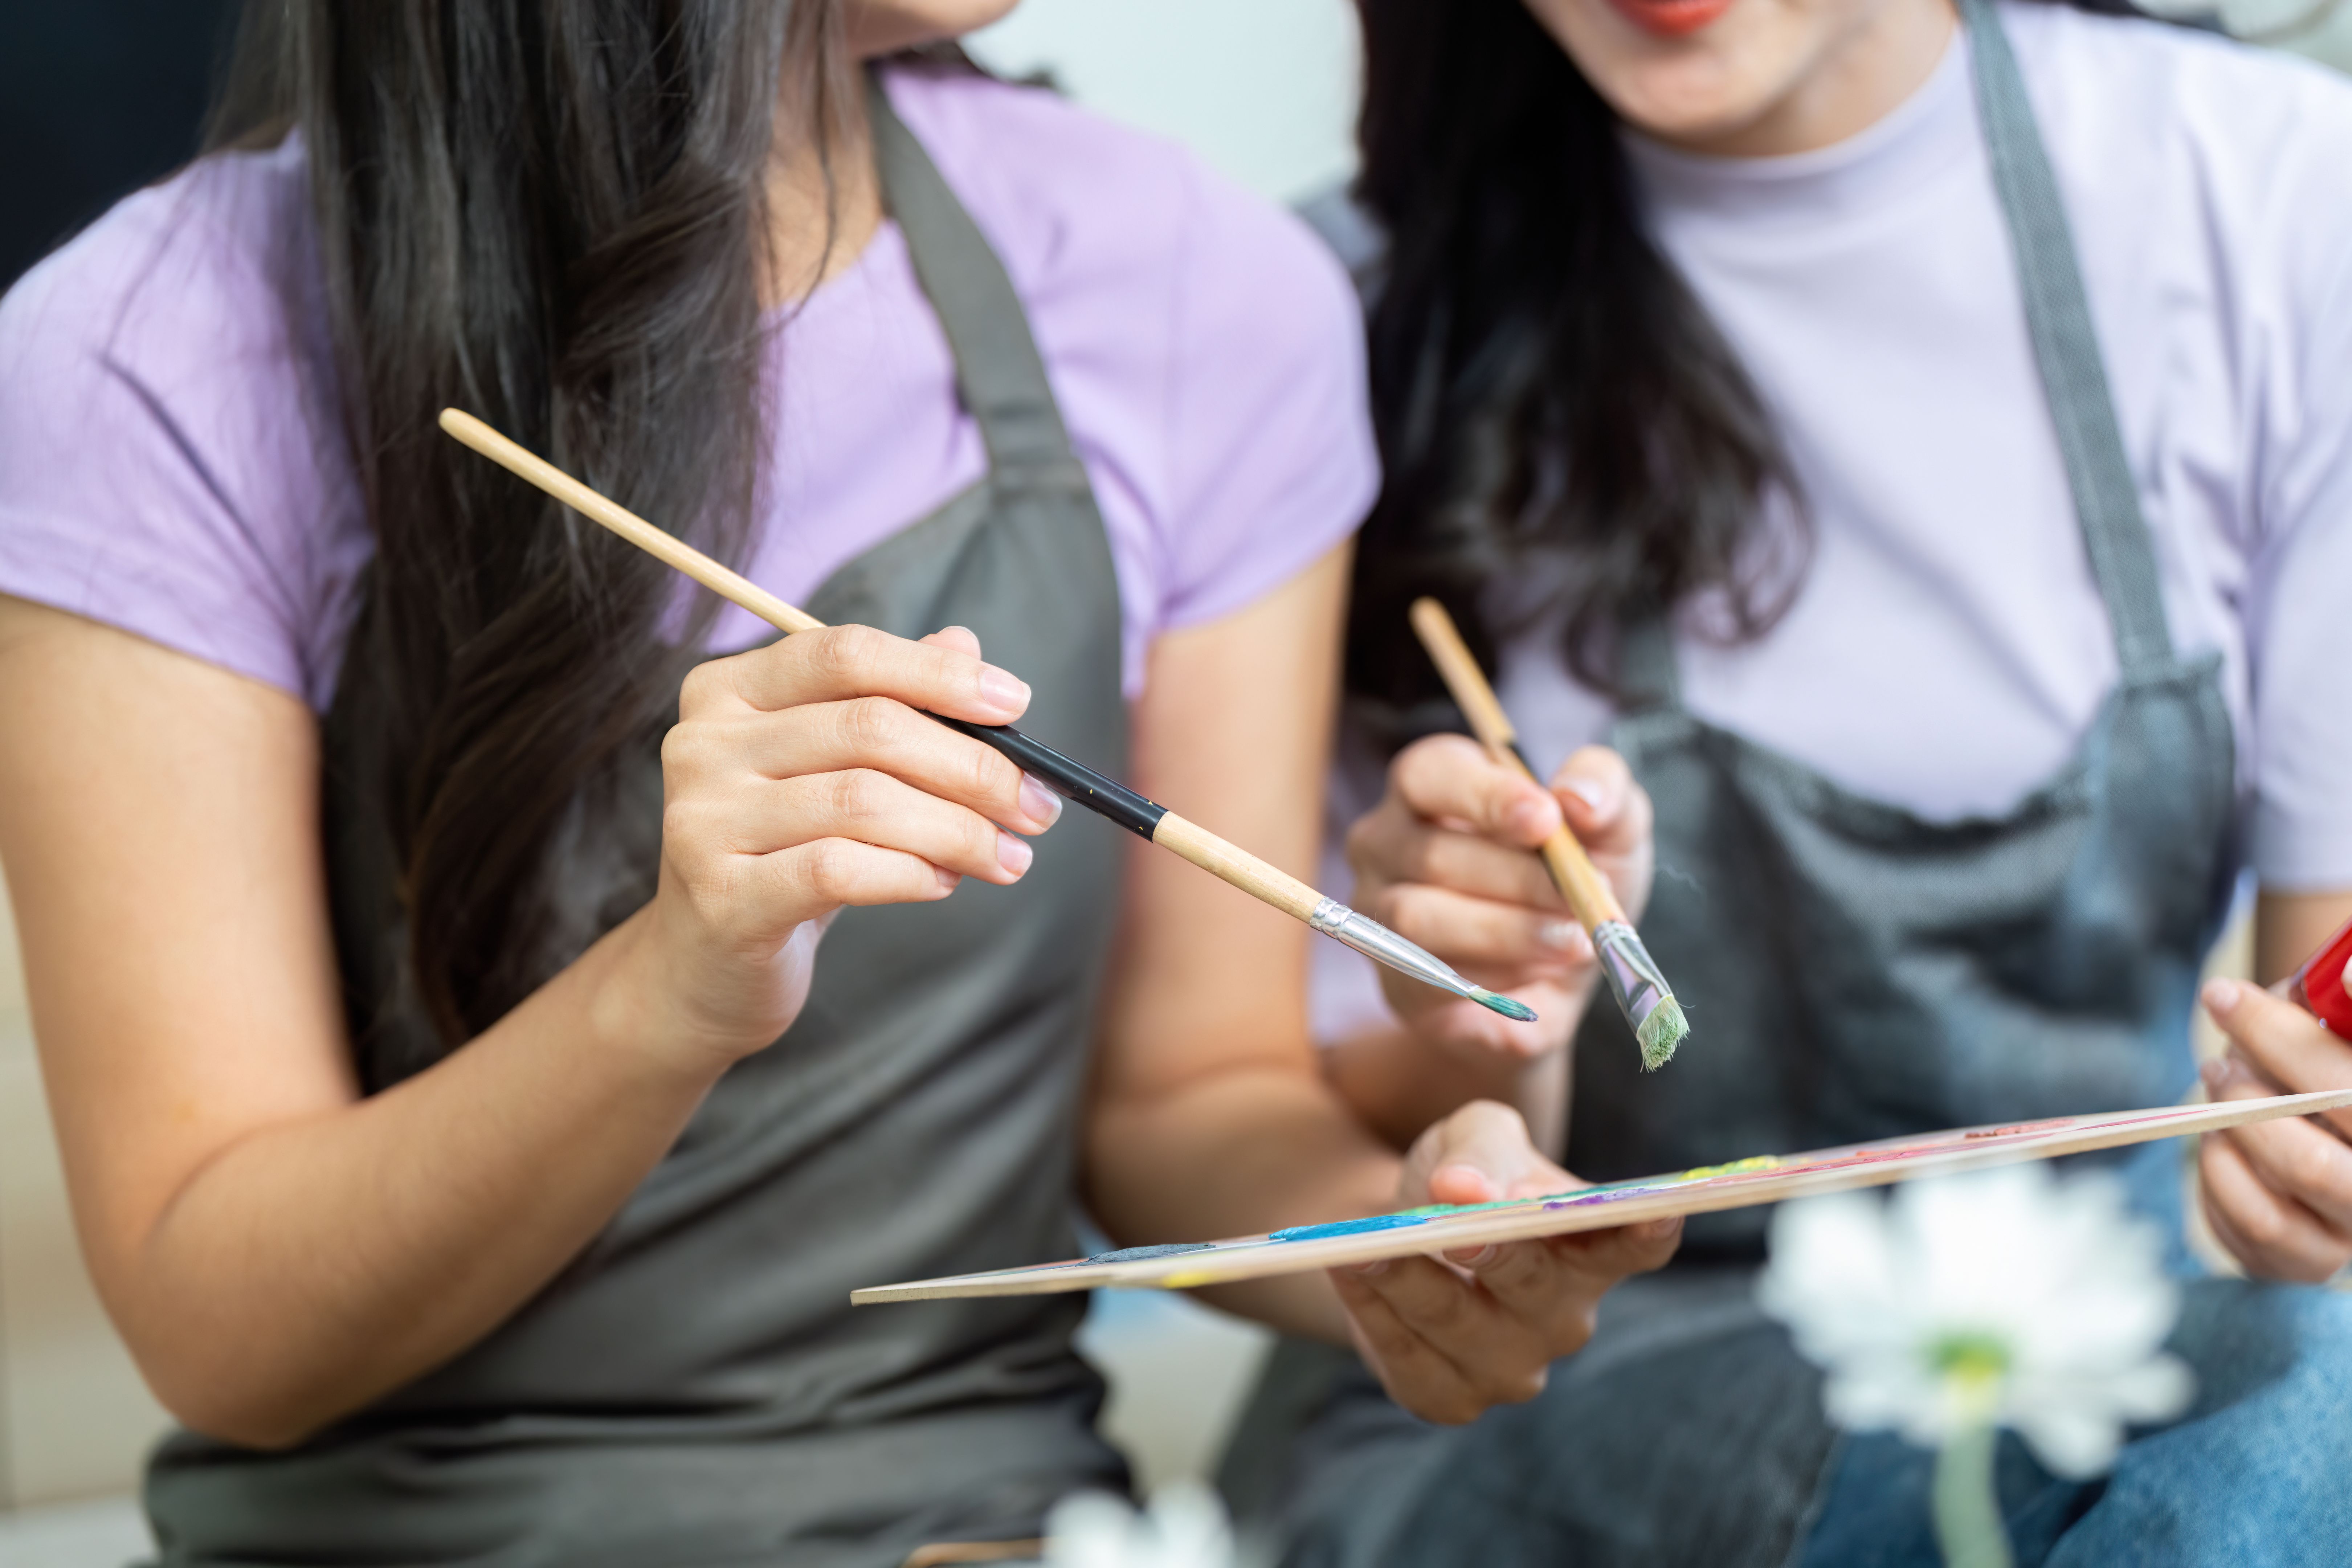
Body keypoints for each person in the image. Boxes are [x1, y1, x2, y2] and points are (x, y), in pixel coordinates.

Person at [0, 2, 1681, 1562]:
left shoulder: (1195, 287)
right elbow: (225, 1335)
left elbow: (1186, 1101)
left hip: (975, 1522)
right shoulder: (150, 356)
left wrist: (1412, 1234)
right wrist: (673, 989)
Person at [1253, 0, 2352, 1563]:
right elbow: (1251, 1122)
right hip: (1572, 1394)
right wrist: (1488, 1043)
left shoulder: (2270, 194)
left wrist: (2309, 1176)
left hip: (2097, 1352)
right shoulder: (1336, 309)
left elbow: (2318, 1074)